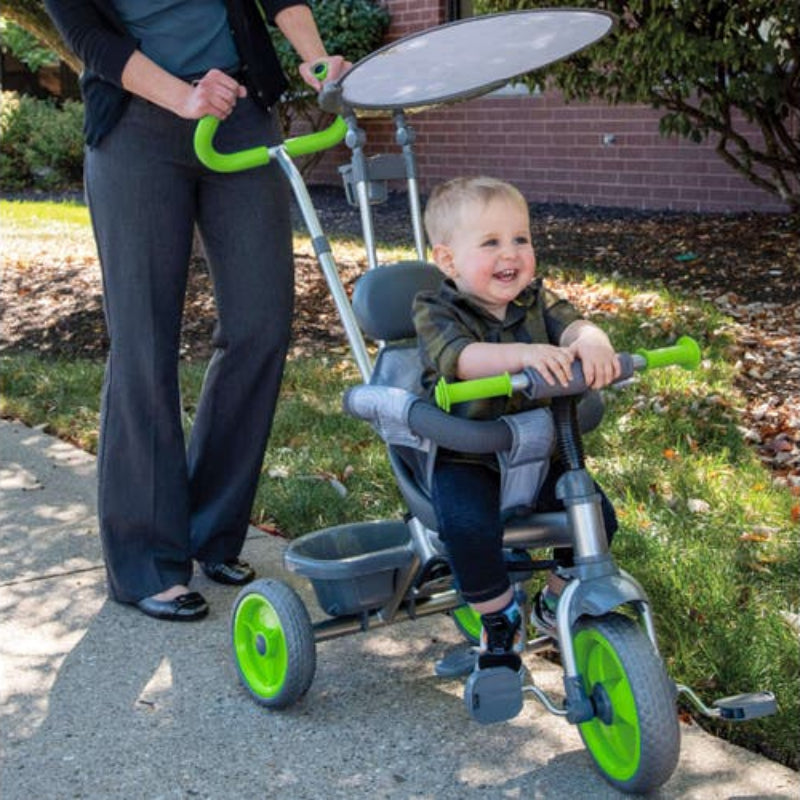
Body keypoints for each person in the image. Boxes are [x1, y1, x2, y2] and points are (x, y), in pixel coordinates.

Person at [44, 0, 351, 621]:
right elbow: (89, 38)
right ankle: (146, 562)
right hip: (137, 127)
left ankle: (210, 530)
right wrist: (181, 98)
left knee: (261, 323)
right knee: (144, 339)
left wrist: (316, 59)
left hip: (238, 116)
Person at [412, 176, 621, 671]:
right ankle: (498, 616)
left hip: (539, 452)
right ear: (447, 260)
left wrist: (593, 340)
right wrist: (524, 355)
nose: (511, 254)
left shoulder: (537, 300)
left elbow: (573, 323)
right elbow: (461, 359)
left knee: (596, 518)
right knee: (466, 530)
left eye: (520, 239)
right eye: (491, 243)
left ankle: (554, 600)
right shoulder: (435, 309)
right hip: (467, 456)